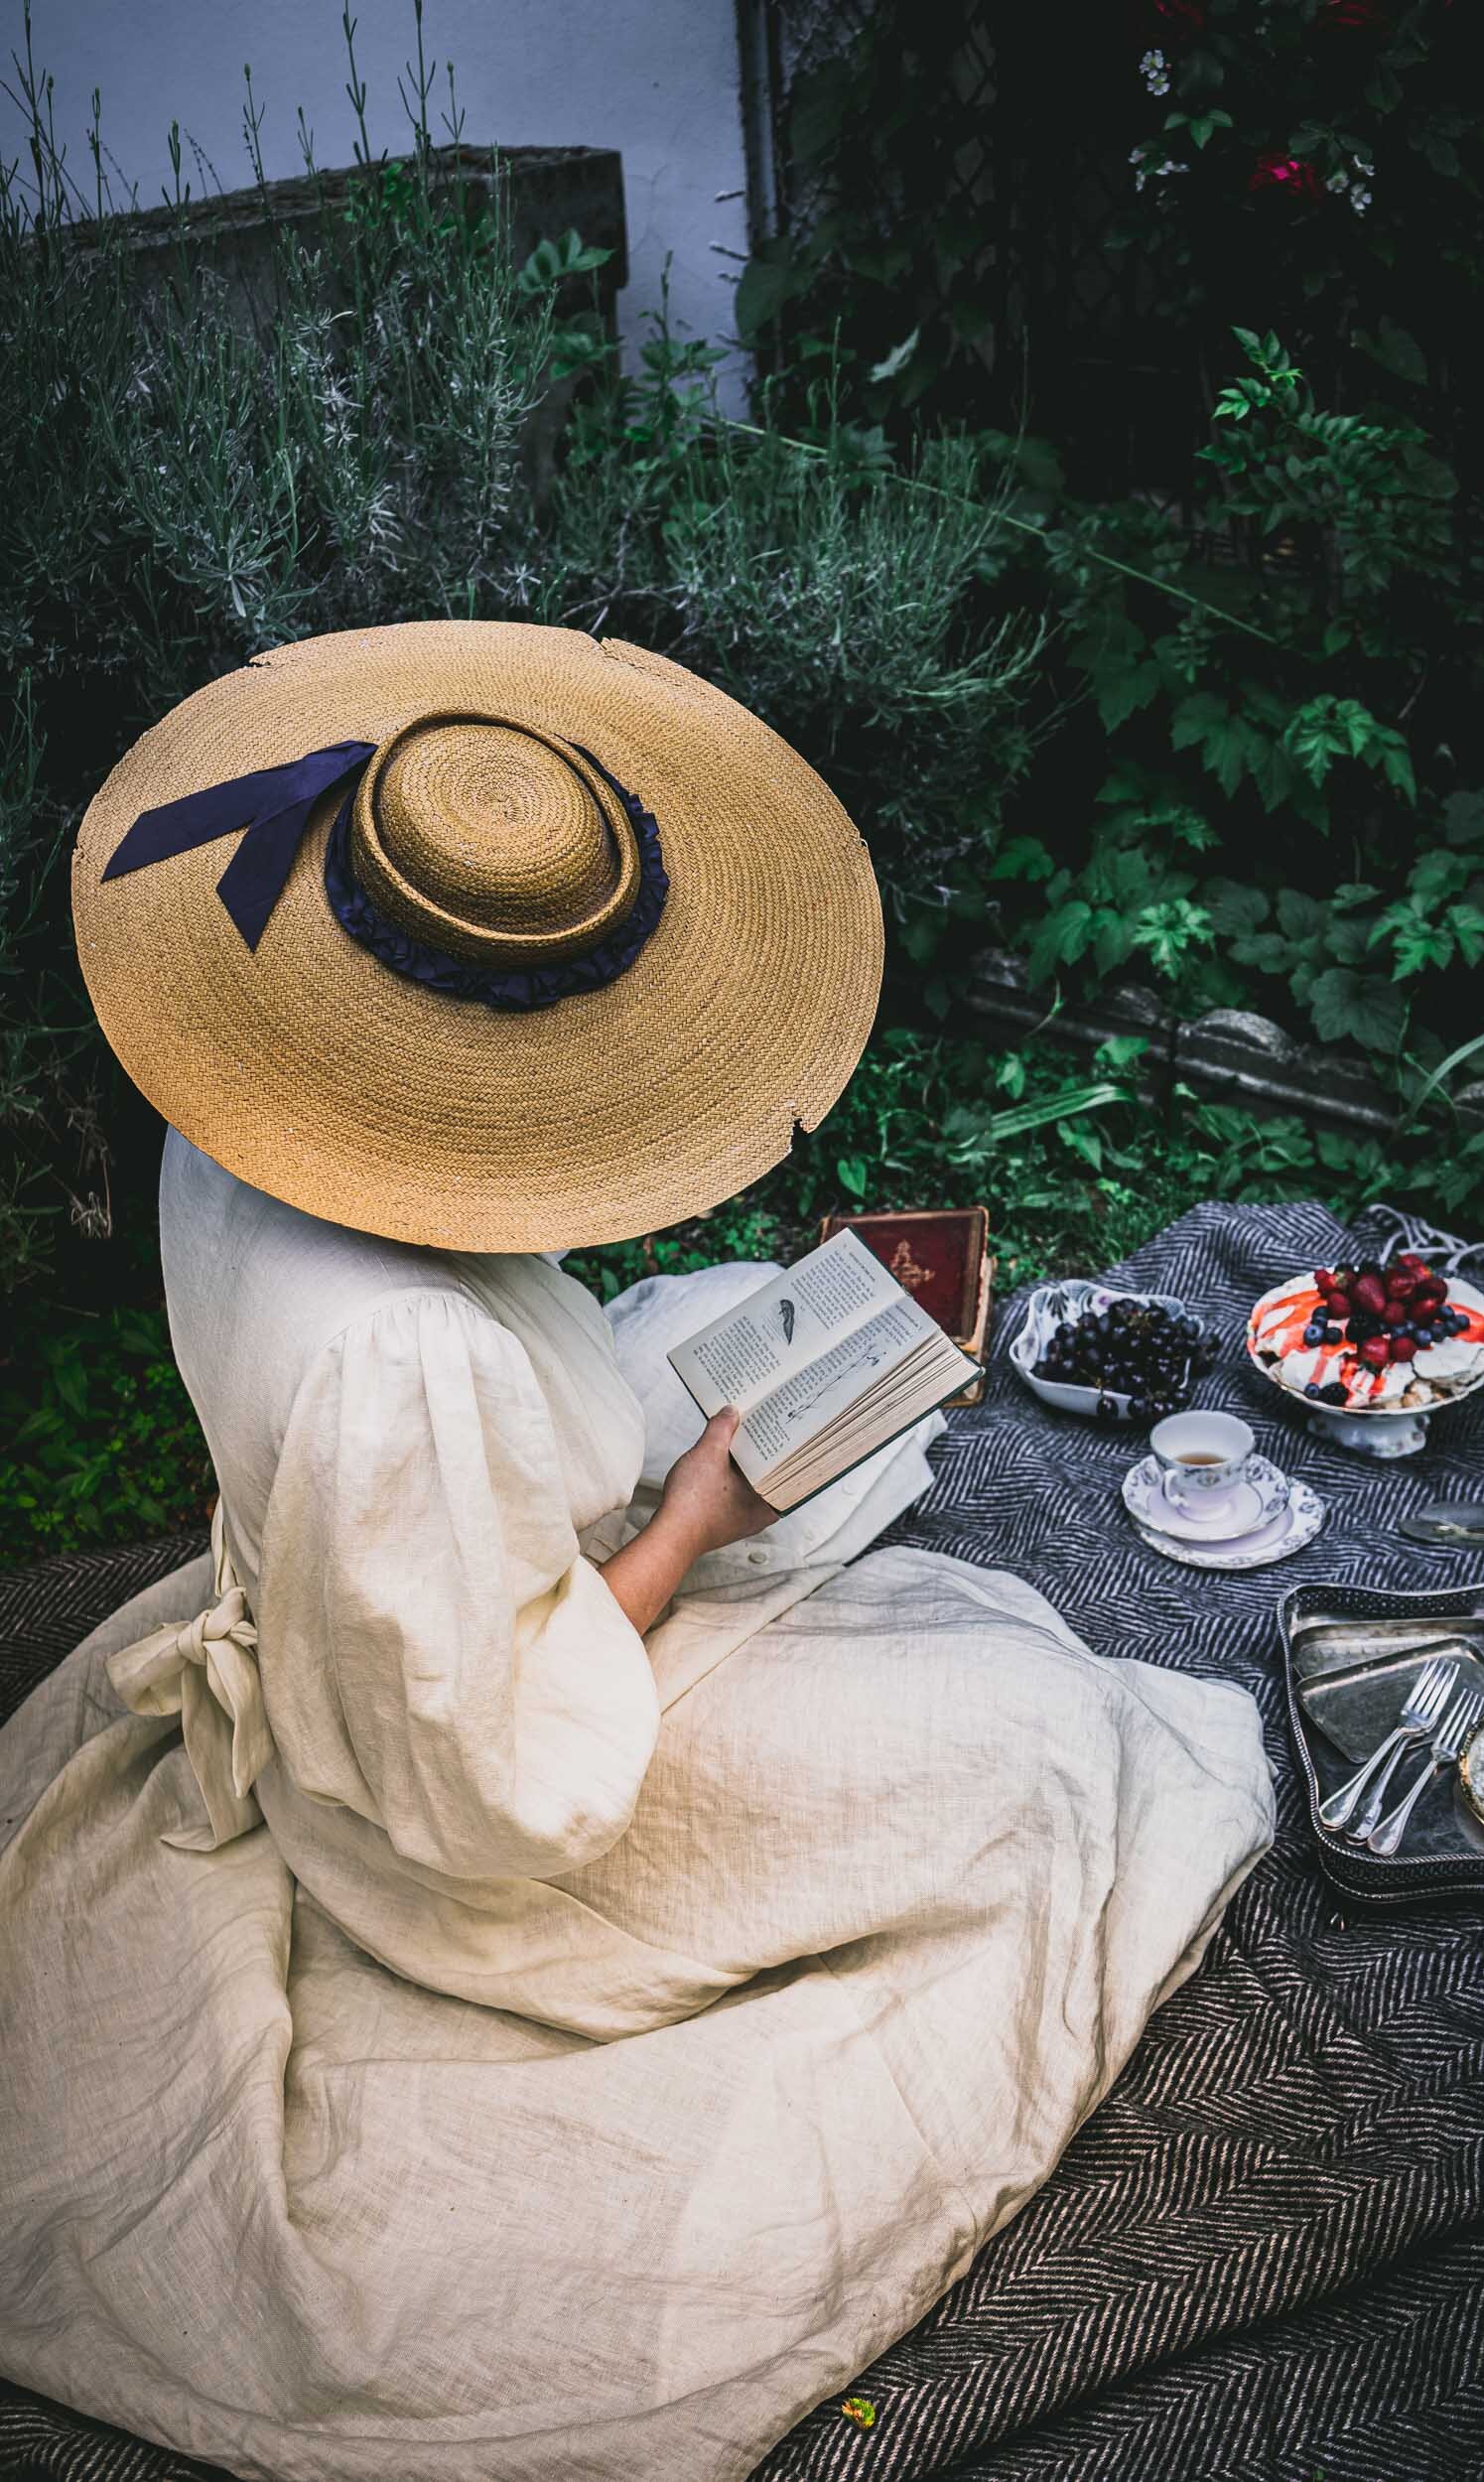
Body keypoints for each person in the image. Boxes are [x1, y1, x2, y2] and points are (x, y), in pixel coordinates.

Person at [0, 621, 1274, 2482]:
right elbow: (495, 1784)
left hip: (400, 1556)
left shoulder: (235, 1115)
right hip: (450, 1783)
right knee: (1031, 1746)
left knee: (747, 1318)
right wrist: (697, 1519)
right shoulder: (404, 1361)